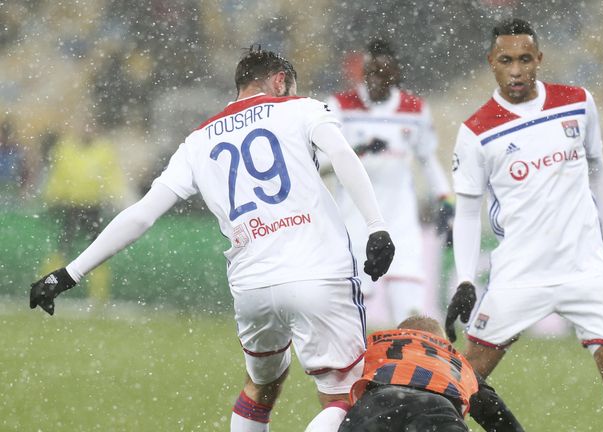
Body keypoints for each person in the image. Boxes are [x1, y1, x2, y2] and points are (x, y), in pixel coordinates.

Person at [29, 46, 396, 432]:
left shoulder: (197, 141)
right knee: (343, 397)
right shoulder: (301, 107)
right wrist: (376, 225)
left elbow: (141, 214)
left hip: (252, 286)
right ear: (280, 81)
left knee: (260, 387)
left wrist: (69, 272)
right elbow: (340, 152)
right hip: (316, 273)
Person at [445, 18, 603, 431]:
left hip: (585, 267)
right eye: (507, 60)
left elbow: (598, 173)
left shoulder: (577, 102)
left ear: (539, 59)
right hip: (519, 272)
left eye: (525, 59)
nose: (517, 70)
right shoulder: (475, 132)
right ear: (491, 62)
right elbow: (467, 210)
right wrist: (466, 280)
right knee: (462, 382)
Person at [326, 39, 454, 326]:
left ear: (396, 74)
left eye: (382, 74)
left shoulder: (414, 109)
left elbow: (428, 160)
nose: (375, 80)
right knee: (346, 321)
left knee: (411, 319)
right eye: (370, 72)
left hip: (402, 229)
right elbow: (321, 163)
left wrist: (446, 200)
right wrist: (359, 150)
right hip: (354, 228)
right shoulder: (339, 106)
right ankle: (345, 371)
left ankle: (406, 369)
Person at [324, 315, 524, 432]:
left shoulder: (372, 348)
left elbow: (335, 395)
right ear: (442, 342)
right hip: (438, 411)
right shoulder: (453, 361)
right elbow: (497, 415)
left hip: (375, 408)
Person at [41, 122, 128, 306]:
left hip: (93, 208)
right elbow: (58, 176)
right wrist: (52, 198)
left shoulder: (103, 151)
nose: (86, 129)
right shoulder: (65, 148)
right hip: (71, 207)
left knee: (97, 252)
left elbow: (113, 177)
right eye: (83, 125)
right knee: (62, 250)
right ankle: (46, 289)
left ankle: (99, 296)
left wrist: (119, 198)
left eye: (91, 126)